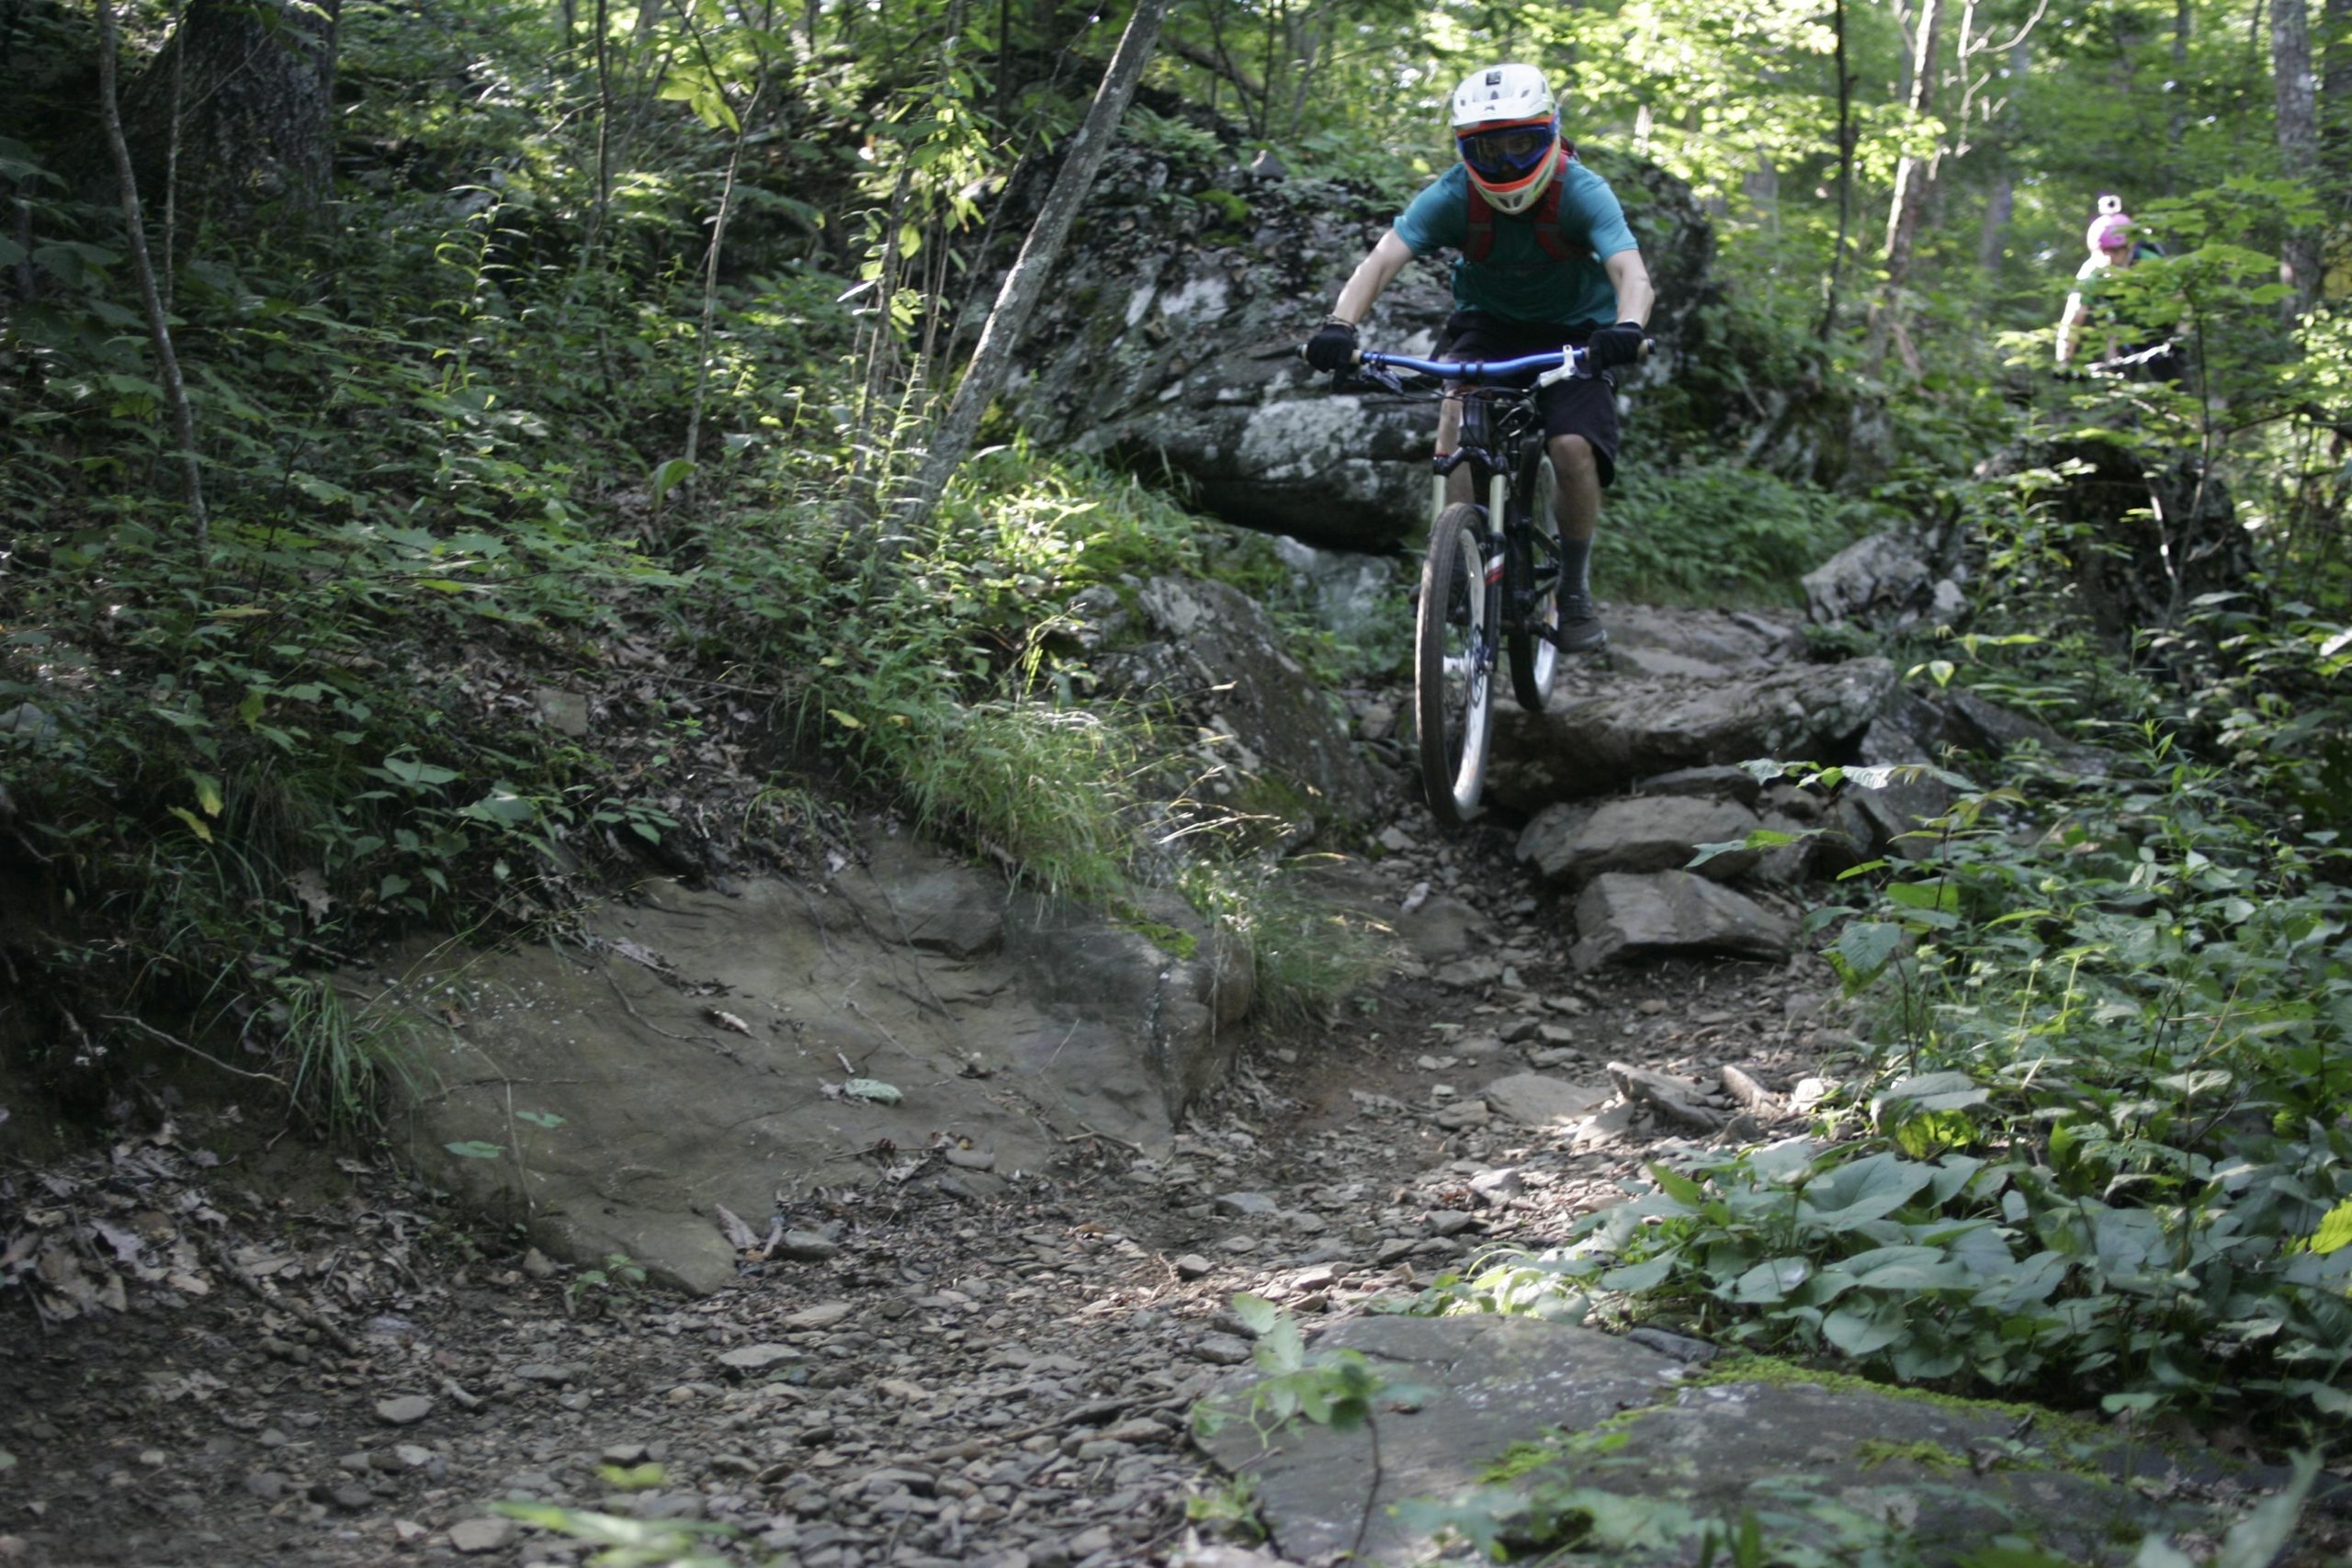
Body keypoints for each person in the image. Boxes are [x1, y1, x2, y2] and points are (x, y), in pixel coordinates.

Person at [1302, 62, 1654, 652]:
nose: (1508, 162)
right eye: (1487, 149)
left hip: (1580, 334)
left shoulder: (1581, 189)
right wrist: (1340, 325)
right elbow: (1382, 260)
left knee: (1571, 447)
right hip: (1488, 327)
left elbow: (1631, 273)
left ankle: (1573, 588)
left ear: (1549, 133)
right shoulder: (1453, 194)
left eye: (1524, 143)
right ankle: (1455, 563)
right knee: (1454, 412)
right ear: (1466, 150)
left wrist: (1627, 327)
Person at [2054, 196, 2174, 378]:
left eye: (2116, 251)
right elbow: (2073, 320)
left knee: (2171, 377)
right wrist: (2063, 362)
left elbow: (2181, 301)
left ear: (2130, 247)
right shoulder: (2092, 272)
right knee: (2116, 376)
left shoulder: (2151, 263)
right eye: (2104, 252)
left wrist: (2178, 341)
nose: (2110, 259)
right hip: (2120, 329)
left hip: (2161, 326)